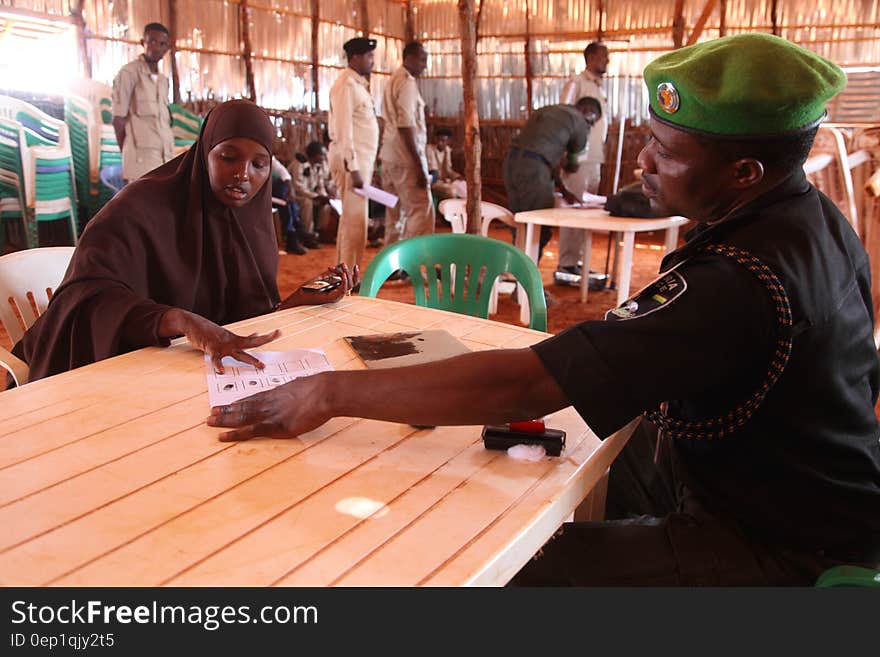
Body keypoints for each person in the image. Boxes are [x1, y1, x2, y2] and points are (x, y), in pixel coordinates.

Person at [208, 35, 880, 586]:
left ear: (743, 176)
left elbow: (529, 381)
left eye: (668, 151)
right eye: (651, 138)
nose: (643, 161)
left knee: (510, 567)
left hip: (776, 545)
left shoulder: (739, 278)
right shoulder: (813, 218)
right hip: (804, 496)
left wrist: (327, 390)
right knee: (571, 469)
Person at [11, 100, 357, 383]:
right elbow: (84, 301)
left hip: (183, 374)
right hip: (106, 371)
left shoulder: (250, 222)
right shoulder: (140, 208)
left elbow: (240, 320)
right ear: (204, 152)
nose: (243, 174)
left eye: (259, 164)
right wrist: (180, 321)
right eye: (228, 157)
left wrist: (299, 299)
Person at [503, 98, 602, 261]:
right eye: (592, 122)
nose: (589, 127)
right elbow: (573, 166)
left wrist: (563, 190)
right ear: (587, 112)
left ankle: (515, 277)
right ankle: (528, 281)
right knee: (538, 228)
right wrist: (568, 163)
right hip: (534, 170)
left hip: (510, 164)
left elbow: (544, 158)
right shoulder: (579, 121)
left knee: (519, 222)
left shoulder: (549, 110)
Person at [558, 42, 611, 279]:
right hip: (578, 159)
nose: (607, 61)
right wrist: (569, 156)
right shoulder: (576, 84)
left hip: (595, 159)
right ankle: (566, 263)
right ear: (590, 57)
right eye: (603, 57)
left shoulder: (600, 88)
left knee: (588, 211)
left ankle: (577, 260)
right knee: (575, 209)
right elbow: (564, 118)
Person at [328, 37, 380, 271]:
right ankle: (349, 274)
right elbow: (344, 130)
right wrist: (354, 167)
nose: (372, 61)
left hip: (361, 164)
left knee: (353, 221)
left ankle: (346, 271)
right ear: (356, 57)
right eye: (369, 56)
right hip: (353, 165)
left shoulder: (358, 84)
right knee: (354, 222)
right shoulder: (346, 85)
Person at [380, 41, 434, 247]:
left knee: (393, 212)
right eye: (422, 60)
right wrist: (419, 167)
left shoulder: (392, 80)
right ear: (408, 57)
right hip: (405, 158)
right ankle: (411, 262)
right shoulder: (407, 83)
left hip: (389, 156)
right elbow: (406, 125)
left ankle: (392, 265)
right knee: (420, 209)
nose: (424, 65)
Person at [111, 22, 176, 183]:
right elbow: (118, 120)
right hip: (140, 164)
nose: (156, 47)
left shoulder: (163, 81)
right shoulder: (128, 73)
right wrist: (128, 153)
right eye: (152, 41)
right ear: (143, 43)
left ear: (166, 49)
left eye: (162, 44)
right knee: (140, 207)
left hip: (164, 160)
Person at [289, 141, 337, 247]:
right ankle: (307, 235)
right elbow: (298, 187)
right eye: (322, 154)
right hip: (294, 195)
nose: (324, 157)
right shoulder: (299, 164)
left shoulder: (317, 166)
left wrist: (324, 197)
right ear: (314, 154)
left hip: (309, 194)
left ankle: (320, 233)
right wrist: (316, 196)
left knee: (326, 205)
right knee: (307, 203)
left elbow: (320, 185)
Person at [270, 156, 307, 255]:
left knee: (288, 199)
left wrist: (291, 192)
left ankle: (294, 232)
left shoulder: (269, 158)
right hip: (260, 196)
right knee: (285, 202)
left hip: (274, 196)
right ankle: (294, 233)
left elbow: (284, 172)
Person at [426, 127, 464, 202]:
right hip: (434, 182)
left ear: (448, 141)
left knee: (464, 186)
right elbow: (434, 172)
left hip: (445, 181)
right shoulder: (430, 149)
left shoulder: (447, 150)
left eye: (443, 141)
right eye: (438, 140)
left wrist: (457, 176)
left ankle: (461, 211)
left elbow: (448, 170)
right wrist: (447, 181)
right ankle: (447, 212)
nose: (440, 143)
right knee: (451, 192)